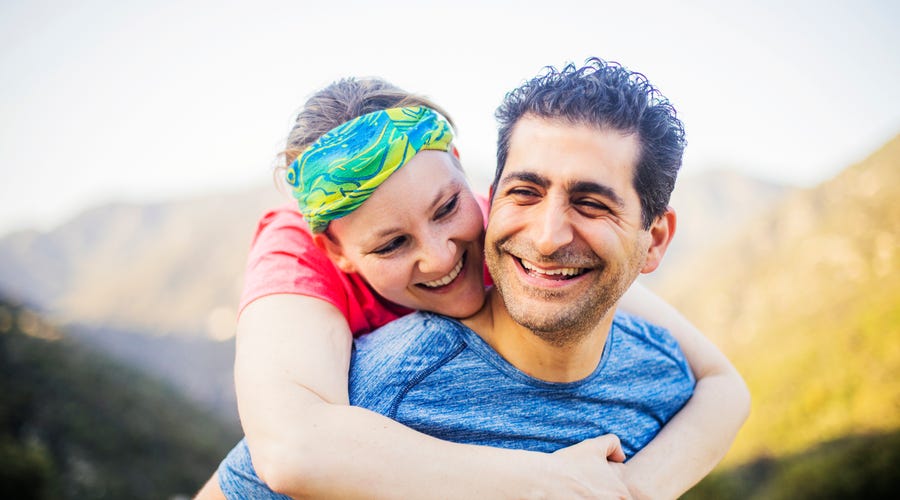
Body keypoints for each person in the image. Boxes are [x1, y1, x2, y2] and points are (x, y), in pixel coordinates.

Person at [198, 70, 749, 499]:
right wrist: (544, 482)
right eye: (392, 245)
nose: (441, 256)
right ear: (338, 252)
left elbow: (720, 381)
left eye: (446, 209)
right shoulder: (299, 258)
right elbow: (291, 449)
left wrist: (628, 491)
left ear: (463, 172)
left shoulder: (519, 226)